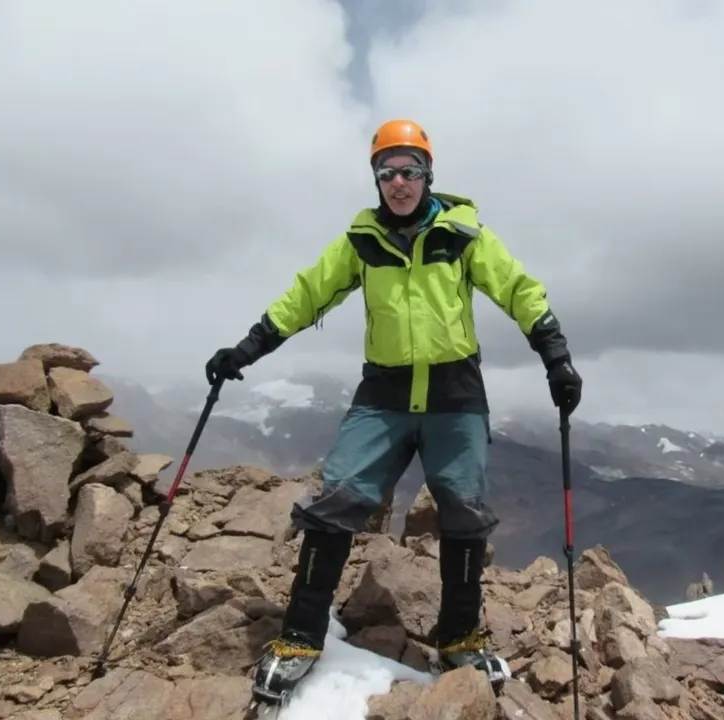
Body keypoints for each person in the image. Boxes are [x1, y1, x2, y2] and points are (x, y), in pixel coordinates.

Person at [205, 119, 583, 699]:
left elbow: (517, 288)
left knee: (463, 510)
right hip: (383, 393)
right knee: (337, 499)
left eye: (409, 170)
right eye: (387, 172)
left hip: (454, 394)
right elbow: (308, 293)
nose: (399, 182)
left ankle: (459, 636)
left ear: (428, 174)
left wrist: (554, 355)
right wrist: (248, 348)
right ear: (376, 179)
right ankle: (302, 636)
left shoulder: (462, 234)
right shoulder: (362, 240)